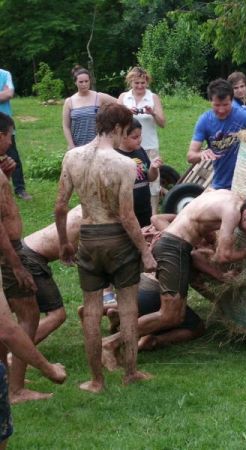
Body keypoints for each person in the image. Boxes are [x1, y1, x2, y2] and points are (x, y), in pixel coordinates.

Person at [101, 190, 246, 368]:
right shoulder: (233, 211)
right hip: (174, 247)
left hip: (175, 246)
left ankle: (116, 339)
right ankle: (110, 344)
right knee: (170, 315)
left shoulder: (227, 196)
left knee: (175, 316)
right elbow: (223, 256)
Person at [55, 103, 157, 393]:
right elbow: (127, 216)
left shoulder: (72, 156)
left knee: (91, 310)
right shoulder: (125, 164)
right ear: (117, 129)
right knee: (127, 307)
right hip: (118, 241)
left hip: (88, 238)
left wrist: (64, 242)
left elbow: (61, 206)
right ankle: (131, 373)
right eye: (125, 131)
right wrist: (145, 252)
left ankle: (96, 380)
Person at [0, 112, 67, 404]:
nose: (12, 140)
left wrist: (8, 176)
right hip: (9, 252)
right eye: (9, 135)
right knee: (27, 315)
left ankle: (6, 383)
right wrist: (15, 262)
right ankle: (16, 389)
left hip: (10, 250)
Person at [187, 78, 246, 190]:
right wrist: (201, 154)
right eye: (217, 105)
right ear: (210, 101)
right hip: (221, 184)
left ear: (232, 100)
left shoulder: (242, 114)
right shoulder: (204, 121)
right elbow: (190, 156)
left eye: (225, 104)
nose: (221, 110)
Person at [21, 206, 83, 344]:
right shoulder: (97, 213)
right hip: (31, 258)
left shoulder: (86, 206)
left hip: (24, 249)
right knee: (57, 315)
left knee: (18, 311)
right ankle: (15, 355)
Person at [118, 67, 165, 214]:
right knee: (130, 179)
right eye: (136, 83)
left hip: (149, 144)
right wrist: (126, 113)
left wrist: (153, 113)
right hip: (127, 147)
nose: (139, 86)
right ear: (130, 82)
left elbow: (162, 123)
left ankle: (153, 214)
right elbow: (115, 122)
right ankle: (129, 210)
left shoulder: (153, 97)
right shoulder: (123, 97)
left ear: (147, 82)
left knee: (153, 180)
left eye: (143, 83)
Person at [115, 118, 162, 227]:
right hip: (127, 210)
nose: (139, 140)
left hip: (145, 207)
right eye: (135, 137)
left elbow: (150, 178)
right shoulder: (115, 156)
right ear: (122, 136)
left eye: (140, 135)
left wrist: (153, 168)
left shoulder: (140, 151)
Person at [62, 65, 116, 149]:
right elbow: (66, 126)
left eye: (86, 81)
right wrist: (71, 145)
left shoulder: (99, 97)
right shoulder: (69, 102)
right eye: (81, 82)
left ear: (90, 81)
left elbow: (120, 102)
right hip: (77, 146)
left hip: (97, 146)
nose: (84, 84)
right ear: (75, 82)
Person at [0, 67, 31, 200]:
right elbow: (4, 94)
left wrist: (5, 93)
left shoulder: (5, 74)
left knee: (13, 157)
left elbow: (9, 94)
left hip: (5, 125)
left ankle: (20, 189)